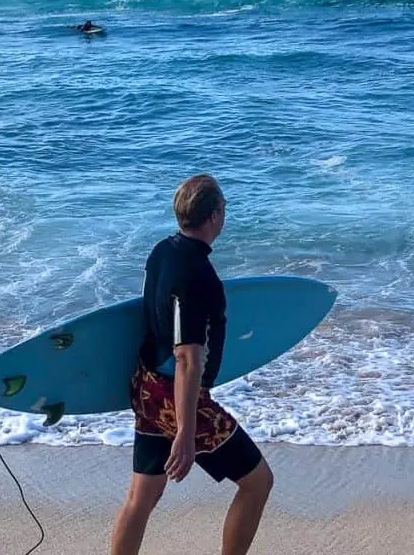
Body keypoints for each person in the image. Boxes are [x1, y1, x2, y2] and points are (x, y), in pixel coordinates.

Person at [111, 175, 273, 555]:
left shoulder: (160, 252)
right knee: (258, 481)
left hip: (146, 385)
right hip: (177, 397)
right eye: (224, 210)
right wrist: (185, 432)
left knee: (142, 496)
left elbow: (151, 319)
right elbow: (187, 356)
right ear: (214, 216)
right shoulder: (199, 276)